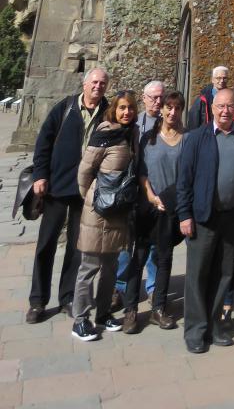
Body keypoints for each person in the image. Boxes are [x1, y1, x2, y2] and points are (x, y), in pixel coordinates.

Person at [26, 67, 109, 323]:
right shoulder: (65, 108)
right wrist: (41, 175)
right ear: (85, 84)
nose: (98, 86)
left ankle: (68, 298)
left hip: (87, 191)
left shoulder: (108, 111)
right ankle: (38, 301)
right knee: (46, 245)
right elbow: (44, 142)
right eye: (94, 81)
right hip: (58, 188)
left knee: (76, 247)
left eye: (103, 83)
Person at [176, 88, 234, 353]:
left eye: (230, 106)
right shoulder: (197, 138)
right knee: (198, 275)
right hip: (203, 218)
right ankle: (196, 331)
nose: (225, 111)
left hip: (232, 219)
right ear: (212, 107)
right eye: (221, 106)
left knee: (224, 274)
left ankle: (214, 324)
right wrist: (184, 215)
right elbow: (184, 180)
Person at [71, 89, 139, 341]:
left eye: (130, 108)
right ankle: (80, 320)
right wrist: (90, 197)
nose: (126, 112)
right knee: (89, 267)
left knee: (110, 267)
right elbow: (85, 170)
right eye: (122, 108)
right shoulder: (105, 132)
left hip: (118, 211)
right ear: (114, 110)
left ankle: (102, 314)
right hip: (97, 210)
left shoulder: (132, 133)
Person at [123, 90, 186, 333]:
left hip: (170, 208)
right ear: (161, 110)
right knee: (137, 258)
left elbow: (186, 175)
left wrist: (168, 200)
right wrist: (149, 194)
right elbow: (141, 171)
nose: (172, 112)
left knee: (164, 258)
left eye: (177, 108)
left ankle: (158, 308)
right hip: (147, 206)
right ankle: (130, 310)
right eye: (168, 107)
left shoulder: (187, 139)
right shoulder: (148, 137)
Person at [114, 78, 165, 308]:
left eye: (161, 97)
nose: (157, 101)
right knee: (126, 244)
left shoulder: (169, 124)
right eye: (153, 97)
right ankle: (119, 286)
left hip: (158, 193)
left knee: (154, 245)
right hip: (134, 192)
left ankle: (153, 288)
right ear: (144, 99)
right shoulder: (135, 125)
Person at [187, 66, 230, 130]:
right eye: (218, 78)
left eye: (225, 78)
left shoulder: (231, 98)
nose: (222, 81)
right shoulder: (202, 100)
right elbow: (193, 123)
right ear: (212, 80)